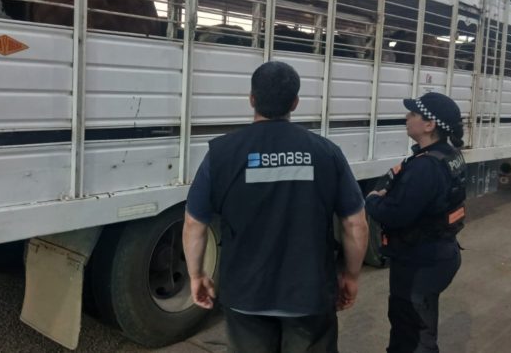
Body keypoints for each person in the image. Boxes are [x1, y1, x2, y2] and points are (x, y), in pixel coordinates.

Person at [182, 61, 369, 353]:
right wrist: (351, 276)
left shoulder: (221, 154)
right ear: (295, 102)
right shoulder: (326, 153)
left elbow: (195, 223)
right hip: (310, 294)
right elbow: (355, 223)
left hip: (246, 295)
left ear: (252, 99)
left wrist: (196, 276)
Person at [365, 92, 467, 353]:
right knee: (421, 324)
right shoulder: (447, 155)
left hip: (419, 262)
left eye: (412, 114)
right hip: (439, 253)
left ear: (429, 125)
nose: (406, 118)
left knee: (412, 333)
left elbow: (395, 214)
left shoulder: (425, 167)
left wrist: (373, 200)